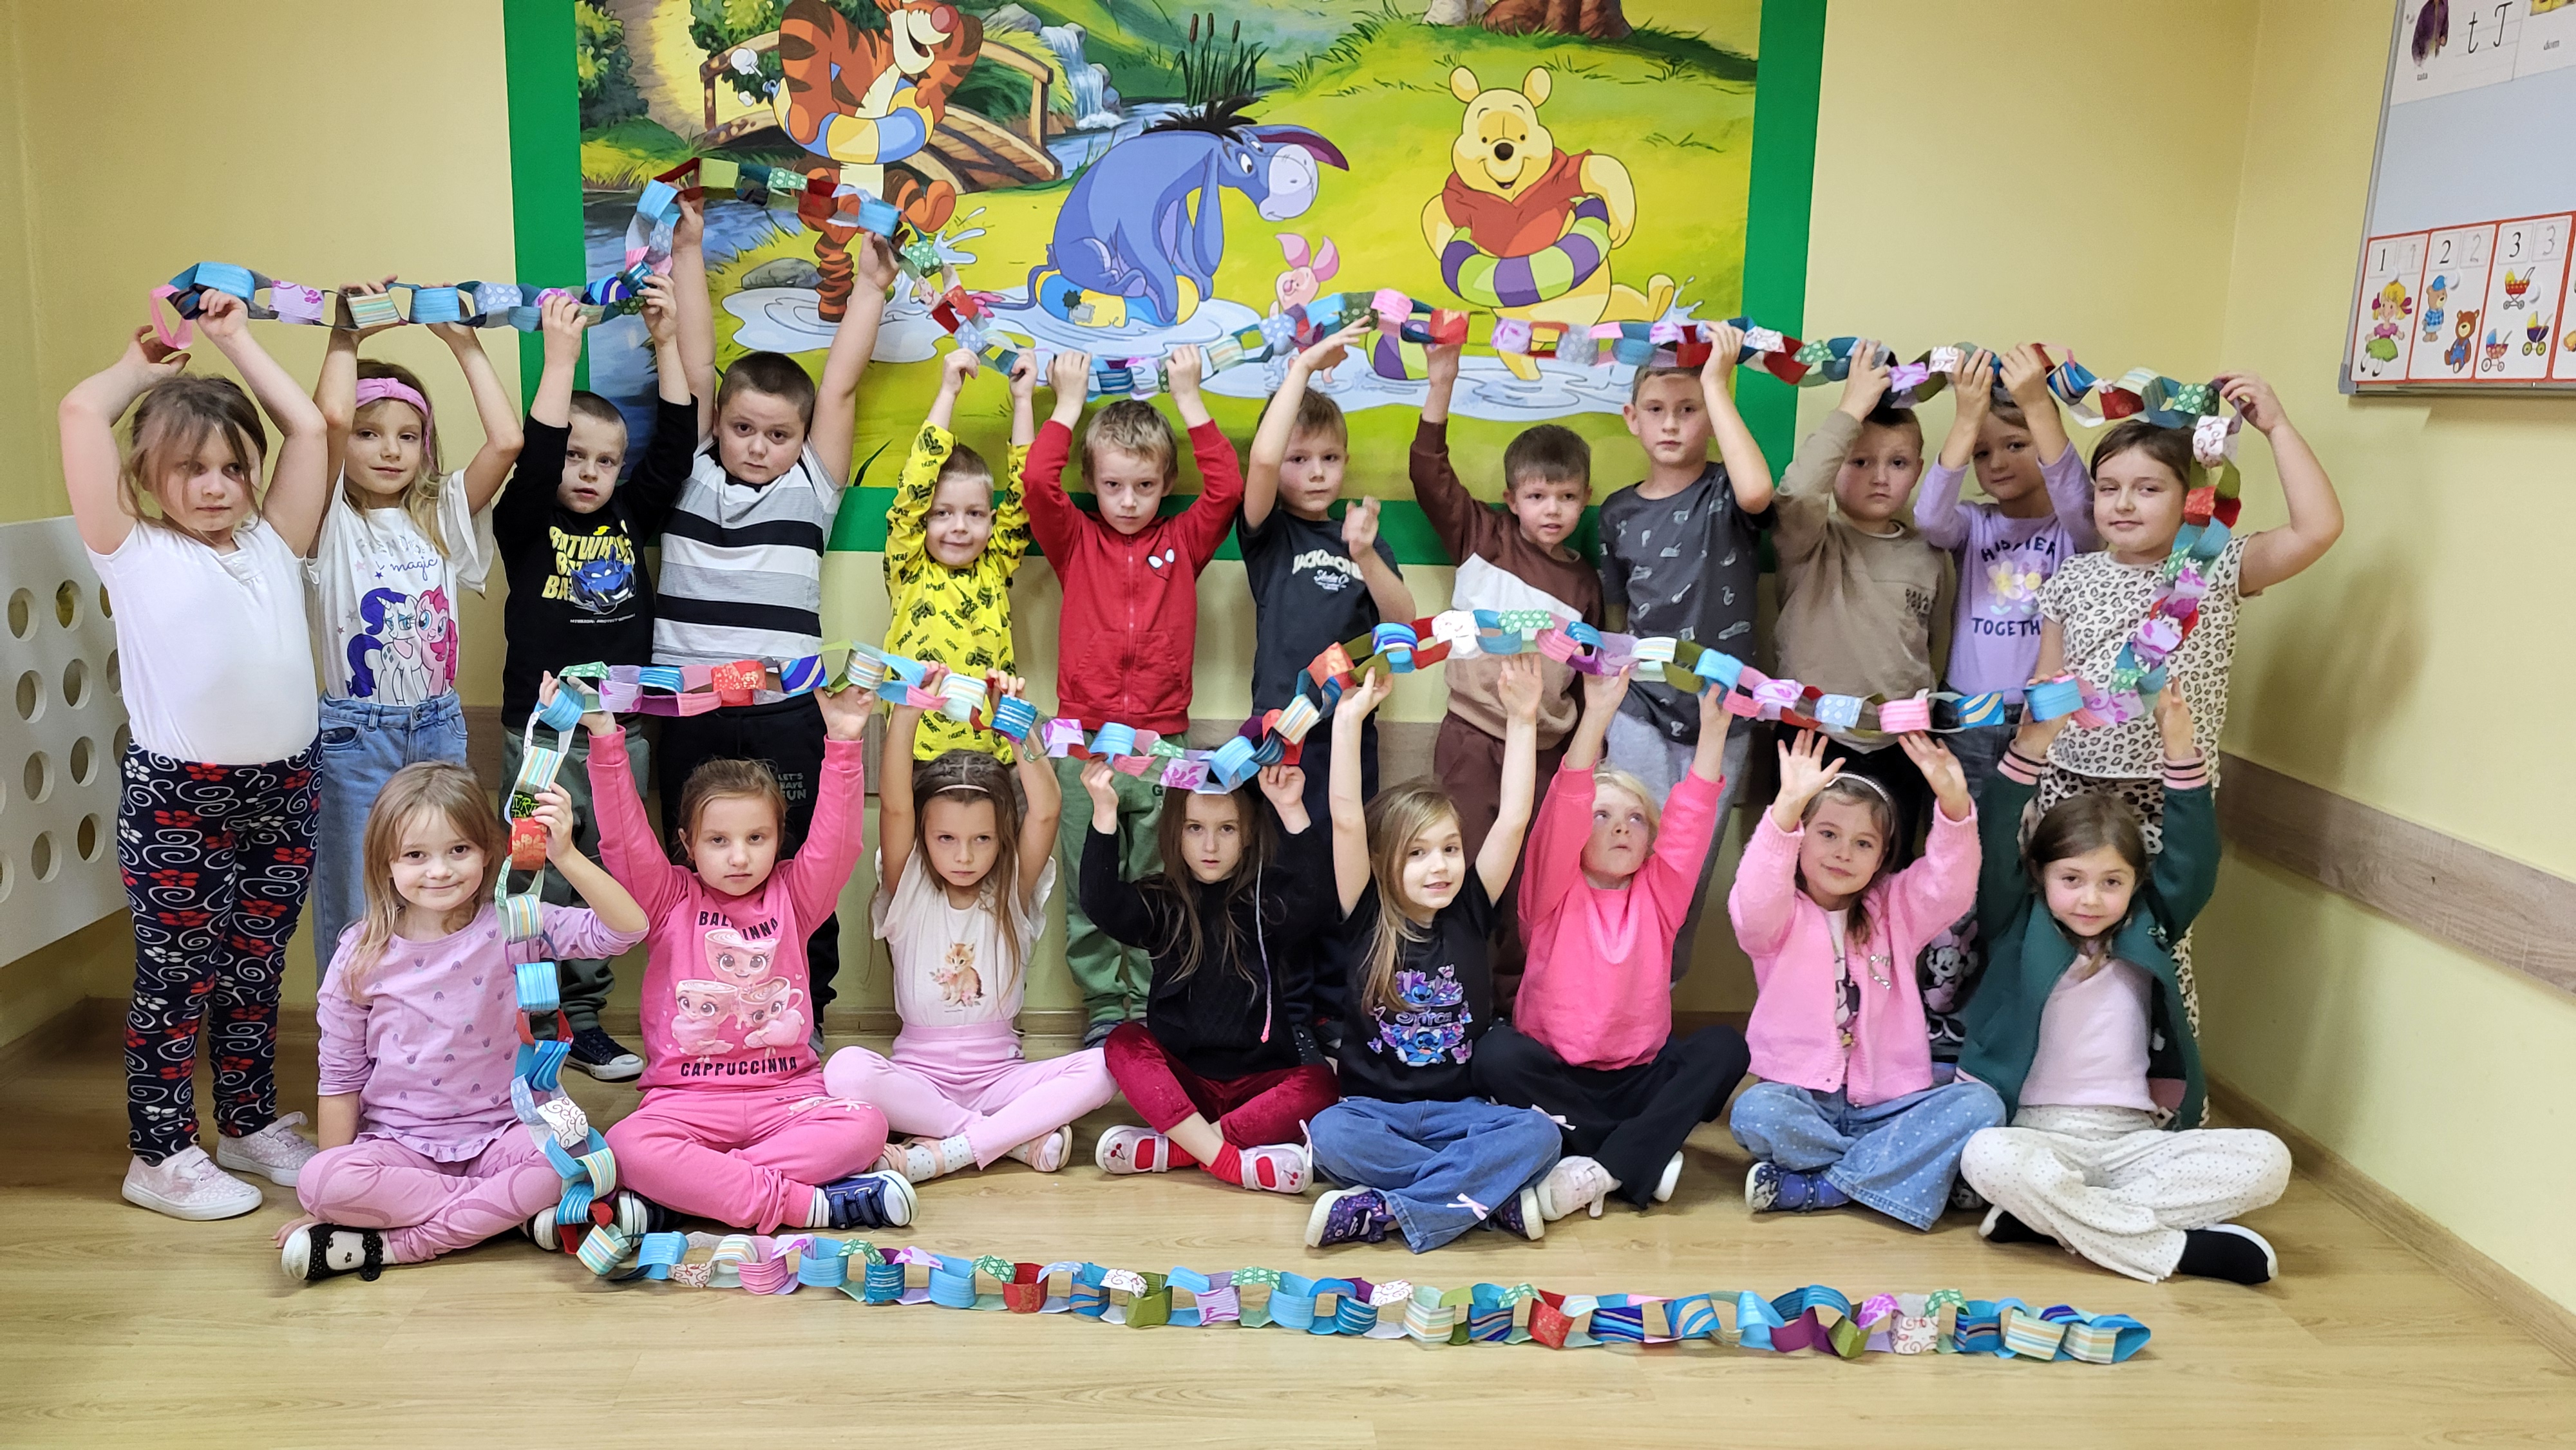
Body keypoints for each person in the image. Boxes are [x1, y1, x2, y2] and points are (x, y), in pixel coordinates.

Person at [65, 296, 334, 1219]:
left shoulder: (273, 540)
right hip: (180, 799)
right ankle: (159, 1152)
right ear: (149, 475)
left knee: (256, 970)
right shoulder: (129, 548)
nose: (216, 486)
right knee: (179, 980)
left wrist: (236, 340)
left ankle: (247, 1124)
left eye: (232, 467)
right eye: (190, 468)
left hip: (286, 789)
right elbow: (79, 412)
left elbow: (310, 427)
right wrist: (141, 369)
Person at [643, 196, 893, 1015]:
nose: (758, 446)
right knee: (692, 865)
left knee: (798, 860)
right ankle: (699, 1009)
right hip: (688, 710)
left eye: (779, 435)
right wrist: (688, 248)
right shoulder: (690, 469)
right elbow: (695, 359)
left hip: (786, 710)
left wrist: (870, 289)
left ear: (801, 438)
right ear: (718, 421)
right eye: (744, 428)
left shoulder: (812, 487)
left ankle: (803, 1009)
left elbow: (842, 385)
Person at [2031, 371, 2342, 1024]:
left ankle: (2160, 1077)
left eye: (2148, 488)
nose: (2123, 503)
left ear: (2191, 498)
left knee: (2154, 949)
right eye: (2108, 488)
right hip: (2068, 789)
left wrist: (2277, 428)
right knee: (2053, 946)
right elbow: (2046, 694)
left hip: (2165, 797)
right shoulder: (2072, 578)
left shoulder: (2214, 567)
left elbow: (2316, 529)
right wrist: (2028, 788)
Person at [1957, 695, 2290, 1285]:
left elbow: (2194, 860)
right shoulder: (2015, 922)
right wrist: (2031, 747)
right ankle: (2175, 1251)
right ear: (2039, 875)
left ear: (2136, 884)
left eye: (2111, 882)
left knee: (2270, 1161)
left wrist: (2180, 752)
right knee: (1986, 1158)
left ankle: (2054, 1220)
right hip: (2033, 1134)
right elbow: (1992, 832)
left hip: (2134, 1140)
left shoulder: (2150, 926)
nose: (2090, 898)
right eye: (2071, 879)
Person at [276, 764, 650, 1282]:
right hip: (400, 1146)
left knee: (581, 1156)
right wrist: (326, 1208)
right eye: (415, 855)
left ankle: (402, 1245)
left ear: (488, 851)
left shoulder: (517, 925)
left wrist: (565, 856)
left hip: (505, 1133)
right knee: (320, 1181)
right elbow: (340, 1080)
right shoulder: (361, 956)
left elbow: (628, 929)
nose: (440, 871)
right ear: (385, 863)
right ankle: (506, 1214)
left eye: (459, 850)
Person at [580, 677, 912, 1232]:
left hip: (787, 1098)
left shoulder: (796, 895)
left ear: (779, 839)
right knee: (626, 1146)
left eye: (756, 838)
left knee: (866, 1126)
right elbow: (623, 839)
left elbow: (839, 842)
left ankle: (688, 1196)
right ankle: (804, 1204)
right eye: (719, 841)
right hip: (684, 1103)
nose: (739, 857)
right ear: (688, 843)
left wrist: (844, 743)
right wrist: (605, 738)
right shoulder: (666, 898)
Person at [489, 284, 694, 1082]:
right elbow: (536, 453)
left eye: (606, 460)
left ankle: (583, 1020)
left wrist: (667, 342)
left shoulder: (630, 517)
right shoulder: (525, 522)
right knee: (534, 870)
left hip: (620, 736)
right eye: (577, 456)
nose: (589, 471)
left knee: (604, 870)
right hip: (537, 737)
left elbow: (674, 448)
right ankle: (534, 1020)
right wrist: (561, 356)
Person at [1305, 661, 1569, 1250]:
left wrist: (1523, 719)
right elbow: (1346, 819)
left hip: (1462, 1114)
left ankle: (1389, 1211)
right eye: (1418, 853)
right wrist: (1347, 722)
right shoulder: (1365, 913)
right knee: (1328, 1134)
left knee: (1539, 1135)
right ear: (1384, 862)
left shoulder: (1471, 907)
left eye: (1450, 848)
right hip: (1374, 1114)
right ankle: (1482, 1198)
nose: (1440, 866)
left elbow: (1513, 819)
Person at [1472, 666, 1752, 1215]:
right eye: (1602, 816)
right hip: (1555, 1076)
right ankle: (1639, 1153)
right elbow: (1565, 803)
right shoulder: (1551, 891)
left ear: (1650, 840)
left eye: (1635, 819)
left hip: (1639, 1080)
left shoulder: (1660, 893)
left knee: (1725, 1048)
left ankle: (1599, 1161)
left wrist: (1715, 732)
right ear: (1579, 833)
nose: (1621, 827)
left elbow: (1692, 820)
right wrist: (1598, 711)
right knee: (1494, 1055)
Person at [1027, 345, 1245, 1045]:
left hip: (1161, 744)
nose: (1128, 501)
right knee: (1089, 880)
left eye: (1145, 486)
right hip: (1083, 746)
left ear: (1165, 483)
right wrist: (1067, 404)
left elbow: (1226, 490)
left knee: (1157, 882)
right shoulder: (1075, 542)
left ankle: (1153, 1005)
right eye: (1113, 485)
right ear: (1091, 481)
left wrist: (1189, 398)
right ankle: (1101, 1005)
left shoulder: (1183, 542)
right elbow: (1036, 484)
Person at [304, 279, 523, 974]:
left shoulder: (439, 514)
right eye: (369, 434)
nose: (390, 450)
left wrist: (463, 342)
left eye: (408, 436)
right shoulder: (328, 520)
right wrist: (346, 337)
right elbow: (326, 421)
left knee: (446, 891)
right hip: (355, 735)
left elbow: (508, 440)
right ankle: (352, 1029)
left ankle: (436, 1016)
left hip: (438, 726)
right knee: (358, 897)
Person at [820, 681, 1115, 1180]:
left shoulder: (1012, 888)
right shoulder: (908, 885)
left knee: (1108, 1066)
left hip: (1003, 1081)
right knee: (845, 1069)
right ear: (923, 836)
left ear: (1002, 838)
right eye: (946, 838)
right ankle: (1002, 1138)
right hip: (919, 1083)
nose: (964, 855)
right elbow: (895, 805)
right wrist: (907, 714)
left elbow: (1046, 809)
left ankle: (947, 1148)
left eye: (982, 839)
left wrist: (1015, 725)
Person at [1724, 730, 2002, 1229]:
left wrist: (1954, 806)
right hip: (1805, 1101)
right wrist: (1785, 810)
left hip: (1890, 1105)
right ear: (1800, 838)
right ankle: (1900, 1169)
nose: (1843, 853)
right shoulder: (1777, 917)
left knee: (1981, 1105)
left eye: (1863, 843)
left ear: (1882, 857)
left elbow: (1951, 887)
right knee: (1755, 1114)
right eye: (1828, 834)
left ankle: (1827, 1187)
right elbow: (1755, 893)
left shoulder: (1896, 907)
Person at [1238, 318, 1415, 1043]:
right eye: (1301, 459)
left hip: (1346, 740)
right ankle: (1290, 1017)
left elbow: (1404, 627)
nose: (1316, 472)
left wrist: (1366, 557)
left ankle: (1341, 1015)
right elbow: (1259, 460)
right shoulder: (1269, 535)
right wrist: (1301, 369)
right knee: (1286, 877)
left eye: (1331, 458)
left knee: (1345, 869)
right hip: (1279, 742)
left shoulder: (1358, 540)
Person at [1595, 327, 1774, 978]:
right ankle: (1611, 980)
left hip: (1721, 717)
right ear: (1632, 418)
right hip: (1640, 709)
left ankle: (1659, 989)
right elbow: (1617, 617)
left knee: (1688, 865)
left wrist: (1717, 384)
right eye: (1656, 409)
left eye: (1688, 408)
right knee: (1625, 848)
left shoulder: (1727, 495)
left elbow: (1759, 492)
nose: (1671, 423)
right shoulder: (1617, 514)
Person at [1081, 760, 1338, 1195]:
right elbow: (1100, 902)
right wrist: (1104, 812)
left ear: (1248, 834)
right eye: (1195, 828)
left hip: (1257, 1088)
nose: (1211, 846)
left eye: (1227, 829)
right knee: (1123, 1041)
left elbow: (1318, 896)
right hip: (1185, 1090)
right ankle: (1229, 1162)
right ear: (1175, 832)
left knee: (1322, 1083)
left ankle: (1180, 1150)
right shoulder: (1162, 901)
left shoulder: (1268, 899)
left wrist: (1291, 807)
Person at [1412, 340, 1602, 876]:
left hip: (1543, 750)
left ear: (1585, 498)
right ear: (1512, 498)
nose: (1552, 510)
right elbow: (1429, 475)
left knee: (1527, 872)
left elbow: (1587, 679)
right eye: (1537, 496)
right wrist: (1441, 384)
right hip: (1472, 736)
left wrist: (1585, 760)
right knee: (1463, 865)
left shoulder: (1584, 584)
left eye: (1567, 497)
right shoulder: (1482, 537)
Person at [1770, 341, 1946, 854]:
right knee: (1805, 865)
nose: (1879, 477)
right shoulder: (1809, 540)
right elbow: (1799, 492)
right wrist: (1851, 409)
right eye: (1861, 461)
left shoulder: (1930, 552)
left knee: (1889, 869)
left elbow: (1937, 645)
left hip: (1901, 743)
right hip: (1814, 737)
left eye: (1898, 463)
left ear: (1918, 470)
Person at [1915, 344, 2096, 794]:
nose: (1996, 463)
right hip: (1966, 716)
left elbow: (2077, 498)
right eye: (1981, 453)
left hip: (2045, 717)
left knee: (2038, 833)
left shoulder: (2075, 530)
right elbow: (1930, 519)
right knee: (1960, 830)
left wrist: (2037, 405)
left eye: (2016, 445)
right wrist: (1966, 419)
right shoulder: (1973, 524)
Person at [882, 345, 1037, 763]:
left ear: (991, 520)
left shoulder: (996, 564)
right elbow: (914, 488)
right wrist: (949, 391)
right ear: (923, 518)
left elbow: (1027, 492)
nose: (959, 527)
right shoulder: (909, 566)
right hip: (916, 754)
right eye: (942, 513)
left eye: (975, 514)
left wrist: (1023, 400)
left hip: (991, 755)